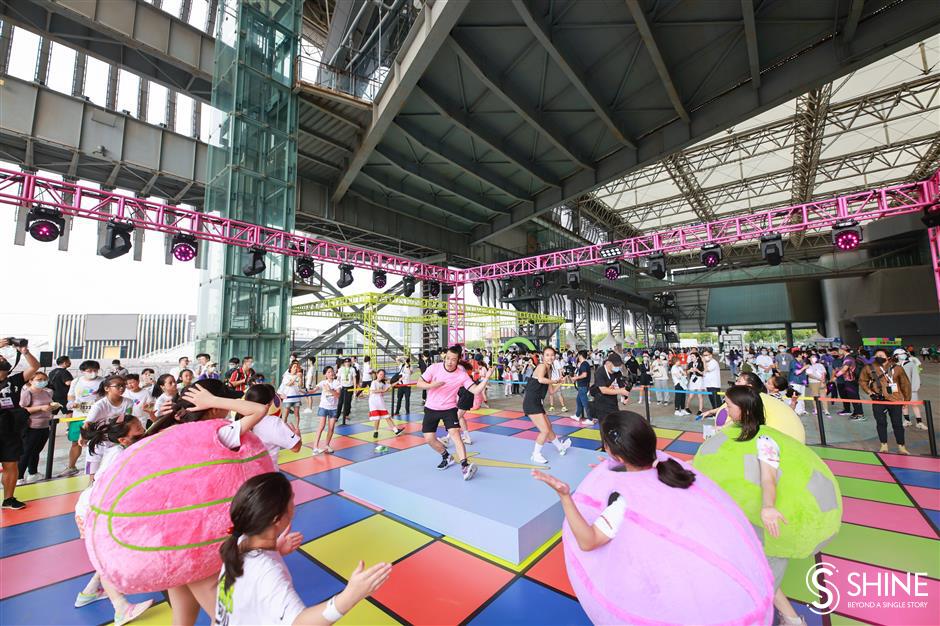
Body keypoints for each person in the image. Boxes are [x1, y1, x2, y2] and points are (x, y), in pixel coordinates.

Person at [215, 472, 391, 626]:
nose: (295, 503)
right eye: (292, 499)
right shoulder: (266, 571)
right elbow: (299, 623)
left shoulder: (240, 541)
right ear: (278, 519)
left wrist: (276, 549)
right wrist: (350, 596)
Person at [532, 410, 695, 550]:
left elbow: (589, 542)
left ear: (616, 456)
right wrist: (621, 470)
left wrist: (565, 496)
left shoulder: (624, 504)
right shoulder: (676, 468)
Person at [717, 385, 809, 625]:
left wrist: (768, 506)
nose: (725, 411)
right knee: (754, 573)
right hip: (741, 517)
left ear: (745, 410)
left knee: (760, 581)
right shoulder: (732, 436)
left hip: (765, 522)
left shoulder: (766, 440)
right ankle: (791, 618)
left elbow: (768, 479)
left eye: (729, 406)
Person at [73, 416, 153, 624]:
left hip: (101, 508)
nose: (142, 431)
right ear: (123, 440)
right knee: (107, 558)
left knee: (107, 554)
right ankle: (120, 608)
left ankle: (90, 592)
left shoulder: (124, 451)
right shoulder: (118, 456)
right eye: (138, 430)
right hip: (93, 510)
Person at [414, 345, 489, 481]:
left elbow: (476, 390)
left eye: (453, 359)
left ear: (458, 360)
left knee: (455, 435)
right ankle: (446, 456)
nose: (449, 362)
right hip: (431, 408)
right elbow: (419, 383)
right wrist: (432, 385)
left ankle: (465, 466)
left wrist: (486, 378)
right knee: (429, 438)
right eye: (447, 358)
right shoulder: (434, 368)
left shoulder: (461, 375)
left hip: (449, 409)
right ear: (444, 357)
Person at [523, 346, 573, 464]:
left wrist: (560, 382)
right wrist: (554, 381)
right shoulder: (542, 366)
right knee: (544, 430)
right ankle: (535, 454)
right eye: (547, 355)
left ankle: (560, 447)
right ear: (543, 356)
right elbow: (540, 379)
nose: (550, 357)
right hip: (531, 402)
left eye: (552, 355)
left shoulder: (549, 370)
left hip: (537, 402)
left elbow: (551, 391)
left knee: (549, 427)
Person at [860, 349, 911, 454]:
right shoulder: (869, 368)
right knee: (881, 423)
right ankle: (884, 445)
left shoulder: (897, 368)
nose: (878, 356)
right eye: (876, 355)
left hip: (895, 399)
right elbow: (862, 380)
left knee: (897, 424)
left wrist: (907, 400)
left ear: (888, 357)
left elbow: (905, 384)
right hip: (878, 399)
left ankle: (901, 446)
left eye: (881, 355)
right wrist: (869, 392)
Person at [84, 376, 135, 478]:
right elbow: (87, 424)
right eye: (118, 386)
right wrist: (83, 437)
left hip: (116, 443)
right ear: (107, 388)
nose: (122, 388)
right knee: (93, 476)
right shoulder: (99, 405)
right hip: (98, 443)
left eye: (123, 385)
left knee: (114, 473)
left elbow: (125, 420)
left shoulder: (128, 402)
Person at [243, 384, 303, 470]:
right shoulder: (273, 423)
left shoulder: (237, 420)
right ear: (271, 403)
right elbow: (296, 448)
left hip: (243, 475)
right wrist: (298, 436)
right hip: (267, 475)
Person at [63, 360, 104, 477]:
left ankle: (96, 468)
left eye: (95, 370)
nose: (93, 373)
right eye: (89, 371)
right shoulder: (76, 381)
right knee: (75, 442)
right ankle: (71, 466)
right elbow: (71, 395)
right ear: (83, 371)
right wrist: (71, 403)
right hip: (79, 415)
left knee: (97, 442)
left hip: (96, 416)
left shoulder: (102, 381)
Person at [17, 370, 56, 484]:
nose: (42, 382)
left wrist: (52, 407)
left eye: (44, 380)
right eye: (39, 380)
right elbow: (22, 410)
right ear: (31, 381)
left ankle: (33, 473)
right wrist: (40, 408)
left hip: (45, 425)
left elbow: (49, 404)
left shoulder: (47, 392)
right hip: (31, 426)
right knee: (26, 451)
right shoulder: (27, 393)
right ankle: (19, 476)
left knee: (36, 451)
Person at [47, 356, 75, 474]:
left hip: (53, 396)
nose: (70, 363)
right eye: (68, 361)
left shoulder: (52, 371)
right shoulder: (64, 372)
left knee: (51, 413)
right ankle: (69, 428)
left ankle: (48, 427)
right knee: (68, 413)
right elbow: (68, 383)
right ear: (64, 363)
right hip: (63, 396)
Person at [590, 353, 631, 424]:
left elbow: (621, 385)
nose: (617, 367)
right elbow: (604, 390)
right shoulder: (600, 372)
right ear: (608, 363)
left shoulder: (617, 372)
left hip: (613, 402)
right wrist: (620, 391)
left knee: (616, 423)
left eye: (619, 365)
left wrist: (625, 396)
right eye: (616, 365)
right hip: (601, 403)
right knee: (605, 425)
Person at [311, 367, 343, 455]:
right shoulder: (323, 383)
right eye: (329, 372)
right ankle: (315, 447)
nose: (331, 373)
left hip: (333, 408)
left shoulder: (337, 383)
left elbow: (337, 395)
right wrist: (305, 391)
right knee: (321, 426)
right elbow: (314, 390)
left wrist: (330, 390)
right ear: (325, 374)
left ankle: (327, 445)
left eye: (332, 371)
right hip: (323, 407)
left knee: (331, 428)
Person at [895, 349, 926, 430]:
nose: (903, 355)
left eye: (904, 353)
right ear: (896, 356)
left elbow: (915, 376)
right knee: (904, 406)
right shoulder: (895, 365)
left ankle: (919, 422)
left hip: (911, 389)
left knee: (915, 405)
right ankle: (907, 420)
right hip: (899, 390)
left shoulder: (911, 364)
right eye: (901, 354)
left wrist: (914, 388)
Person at [368, 369, 404, 441]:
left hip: (380, 401)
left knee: (387, 416)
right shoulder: (374, 382)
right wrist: (383, 390)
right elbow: (373, 391)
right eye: (380, 374)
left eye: (383, 375)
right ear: (377, 374)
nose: (382, 376)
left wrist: (399, 380)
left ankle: (396, 430)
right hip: (373, 401)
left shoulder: (383, 383)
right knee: (377, 418)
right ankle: (376, 431)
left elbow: (391, 385)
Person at [834, 346, 864, 420]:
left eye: (839, 349)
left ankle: (859, 414)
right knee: (853, 397)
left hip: (850, 380)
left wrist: (835, 376)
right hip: (851, 380)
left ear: (843, 350)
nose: (838, 351)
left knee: (854, 397)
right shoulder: (849, 357)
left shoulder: (848, 358)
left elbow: (844, 369)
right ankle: (856, 412)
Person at [278, 362, 304, 428]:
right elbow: (288, 384)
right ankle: (284, 427)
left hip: (296, 398)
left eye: (297, 367)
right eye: (294, 367)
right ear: (291, 368)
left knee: (297, 414)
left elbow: (300, 385)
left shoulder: (298, 376)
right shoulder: (287, 376)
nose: (296, 368)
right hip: (288, 398)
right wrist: (295, 377)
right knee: (286, 414)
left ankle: (297, 427)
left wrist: (300, 378)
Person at [805, 353, 830, 418]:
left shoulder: (820, 365)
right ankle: (816, 409)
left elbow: (824, 373)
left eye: (815, 357)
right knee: (815, 396)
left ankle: (826, 410)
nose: (814, 358)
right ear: (809, 359)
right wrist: (819, 378)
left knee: (823, 396)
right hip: (813, 382)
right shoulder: (808, 366)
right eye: (812, 357)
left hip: (822, 382)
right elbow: (810, 375)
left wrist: (822, 381)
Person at [571, 350, 593, 425]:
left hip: (583, 386)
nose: (577, 357)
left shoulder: (584, 364)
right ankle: (577, 415)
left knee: (585, 403)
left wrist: (576, 378)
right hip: (583, 386)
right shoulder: (585, 364)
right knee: (578, 401)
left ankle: (590, 419)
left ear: (580, 355)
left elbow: (584, 375)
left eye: (578, 355)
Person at [336, 358, 355, 425]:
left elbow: (354, 379)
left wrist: (355, 389)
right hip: (342, 387)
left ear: (350, 362)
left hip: (350, 387)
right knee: (340, 402)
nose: (347, 363)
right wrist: (336, 386)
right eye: (346, 362)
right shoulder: (341, 369)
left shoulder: (352, 369)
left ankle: (346, 414)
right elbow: (338, 378)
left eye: (348, 362)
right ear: (344, 363)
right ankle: (337, 416)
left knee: (348, 402)